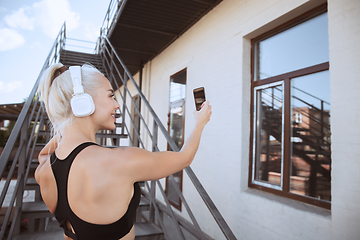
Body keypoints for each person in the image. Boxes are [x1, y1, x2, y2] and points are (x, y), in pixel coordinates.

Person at [34, 63, 212, 240]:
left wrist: (68, 123)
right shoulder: (121, 161)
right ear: (83, 102)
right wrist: (199, 123)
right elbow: (184, 158)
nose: (117, 105)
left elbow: (44, 154)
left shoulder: (44, 171)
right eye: (111, 96)